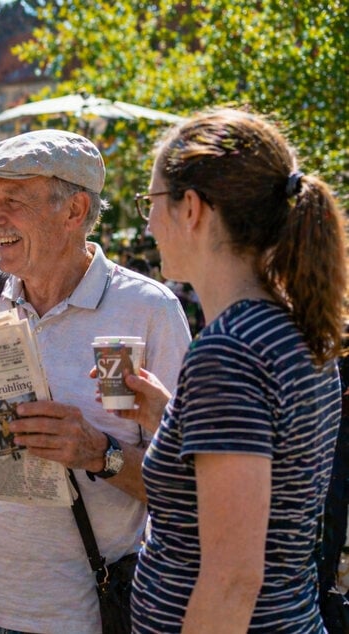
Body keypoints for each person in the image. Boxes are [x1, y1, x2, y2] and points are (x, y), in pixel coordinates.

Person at [0, 129, 191, 632]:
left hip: (82, 613)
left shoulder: (148, 311)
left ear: (75, 210)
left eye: (12, 201)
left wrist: (98, 453)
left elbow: (190, 489)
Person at [124, 108, 348, 632]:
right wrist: (171, 421)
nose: (149, 223)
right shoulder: (286, 328)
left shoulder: (229, 353)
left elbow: (232, 580)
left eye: (152, 203)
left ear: (192, 209)